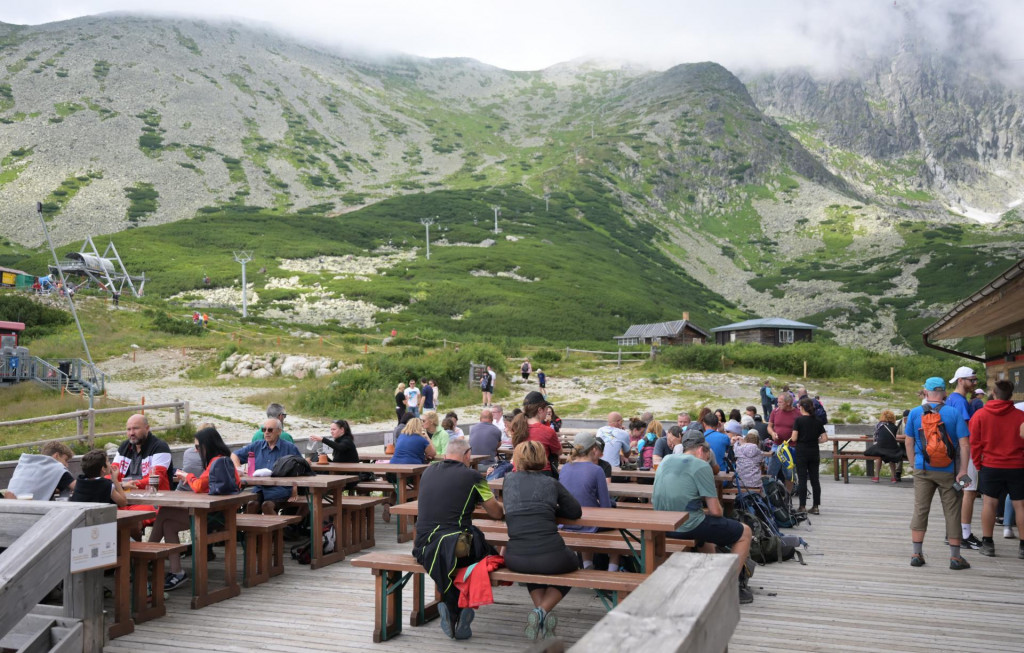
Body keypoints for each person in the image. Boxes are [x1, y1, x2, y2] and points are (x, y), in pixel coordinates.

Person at [412, 437, 504, 640]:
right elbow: (496, 513)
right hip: (456, 545)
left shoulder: (427, 472)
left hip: (423, 545)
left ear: (445, 455)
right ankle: (460, 609)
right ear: (468, 455)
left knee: (455, 554)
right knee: (480, 550)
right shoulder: (474, 477)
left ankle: (452, 606)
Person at [653, 432, 753, 604]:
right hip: (686, 526)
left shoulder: (666, 460)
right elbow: (716, 512)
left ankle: (709, 580)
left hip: (662, 524)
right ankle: (728, 587)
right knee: (745, 532)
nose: (708, 458)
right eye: (708, 455)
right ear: (701, 450)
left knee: (707, 536)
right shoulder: (701, 465)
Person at [503, 441, 583, 640]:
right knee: (574, 565)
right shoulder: (550, 482)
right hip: (552, 555)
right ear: (543, 458)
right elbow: (575, 511)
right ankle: (542, 611)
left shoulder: (508, 480)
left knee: (533, 571)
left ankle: (540, 613)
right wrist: (551, 508)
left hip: (515, 557)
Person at [155, 427, 238, 591]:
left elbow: (199, 485)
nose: (195, 450)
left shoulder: (216, 461)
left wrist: (187, 476)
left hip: (214, 515)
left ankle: (145, 559)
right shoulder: (223, 460)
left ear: (207, 446)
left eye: (198, 447)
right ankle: (176, 571)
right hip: (218, 512)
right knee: (168, 525)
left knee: (164, 512)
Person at [905, 376, 971, 570]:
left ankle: (917, 554)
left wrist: (913, 463)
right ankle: (955, 558)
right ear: (944, 393)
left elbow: (908, 441)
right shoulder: (954, 413)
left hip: (923, 469)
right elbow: (965, 445)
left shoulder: (915, 413)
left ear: (926, 392)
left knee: (920, 509)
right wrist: (963, 471)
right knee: (952, 512)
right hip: (950, 472)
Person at [968, 380, 1024, 558]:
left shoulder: (980, 415)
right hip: (1017, 466)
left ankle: (988, 543)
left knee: (989, 503)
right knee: (1020, 505)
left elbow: (974, 444)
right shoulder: (1021, 416)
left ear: (993, 392)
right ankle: (1023, 547)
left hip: (990, 466)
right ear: (1011, 395)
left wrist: (978, 465)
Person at [558, 431, 624, 571]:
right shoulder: (597, 470)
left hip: (567, 523)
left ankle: (588, 565)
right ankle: (612, 572)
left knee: (586, 516)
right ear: (594, 449)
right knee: (620, 532)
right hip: (589, 525)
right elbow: (606, 507)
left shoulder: (564, 468)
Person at [946, 366, 982, 550]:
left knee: (957, 490)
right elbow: (967, 432)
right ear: (961, 380)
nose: (974, 384)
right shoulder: (960, 402)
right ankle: (965, 534)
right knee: (969, 490)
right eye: (971, 380)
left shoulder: (952, 399)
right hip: (965, 455)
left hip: (955, 455)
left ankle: (952, 531)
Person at [231, 418, 302, 510]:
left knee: (267, 505)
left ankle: (280, 525)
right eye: (264, 430)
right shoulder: (257, 445)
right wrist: (238, 468)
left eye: (270, 430)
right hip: (260, 487)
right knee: (251, 504)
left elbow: (300, 467)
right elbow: (234, 454)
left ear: (279, 432)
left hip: (280, 488)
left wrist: (294, 489)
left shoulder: (289, 447)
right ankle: (250, 524)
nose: (266, 432)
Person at [112, 414, 173, 491]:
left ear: (147, 428)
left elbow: (155, 479)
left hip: (153, 497)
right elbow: (111, 473)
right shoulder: (124, 446)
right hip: (125, 494)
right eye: (128, 429)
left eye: (136, 428)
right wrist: (117, 485)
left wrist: (126, 485)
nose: (131, 433)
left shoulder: (160, 447)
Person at [790, 397, 827, 514]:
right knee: (815, 479)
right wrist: (816, 441)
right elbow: (825, 438)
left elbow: (794, 437)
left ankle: (802, 506)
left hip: (802, 451)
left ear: (801, 407)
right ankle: (816, 506)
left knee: (802, 479)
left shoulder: (799, 420)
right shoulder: (817, 420)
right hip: (814, 452)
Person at [7, 441, 76, 501]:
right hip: (32, 510)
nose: (66, 465)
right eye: (65, 460)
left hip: (7, 507)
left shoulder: (25, 464)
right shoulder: (55, 467)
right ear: (56, 456)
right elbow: (80, 488)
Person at [767, 394, 798, 491]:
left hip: (790, 447)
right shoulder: (775, 411)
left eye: (780, 402)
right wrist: (772, 433)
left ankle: (788, 497)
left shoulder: (797, 414)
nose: (777, 404)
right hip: (776, 445)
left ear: (788, 403)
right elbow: (769, 426)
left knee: (789, 474)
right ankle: (771, 498)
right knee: (771, 472)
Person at [524, 392, 561, 475]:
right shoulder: (547, 431)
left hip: (519, 473)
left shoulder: (518, 428)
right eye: (546, 408)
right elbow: (559, 451)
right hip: (542, 473)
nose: (547, 411)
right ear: (540, 410)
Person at [866, 410, 905, 483]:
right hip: (892, 448)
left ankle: (876, 477)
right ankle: (893, 477)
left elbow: (876, 437)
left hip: (881, 447)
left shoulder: (879, 425)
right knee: (891, 457)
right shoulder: (894, 427)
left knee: (879, 456)